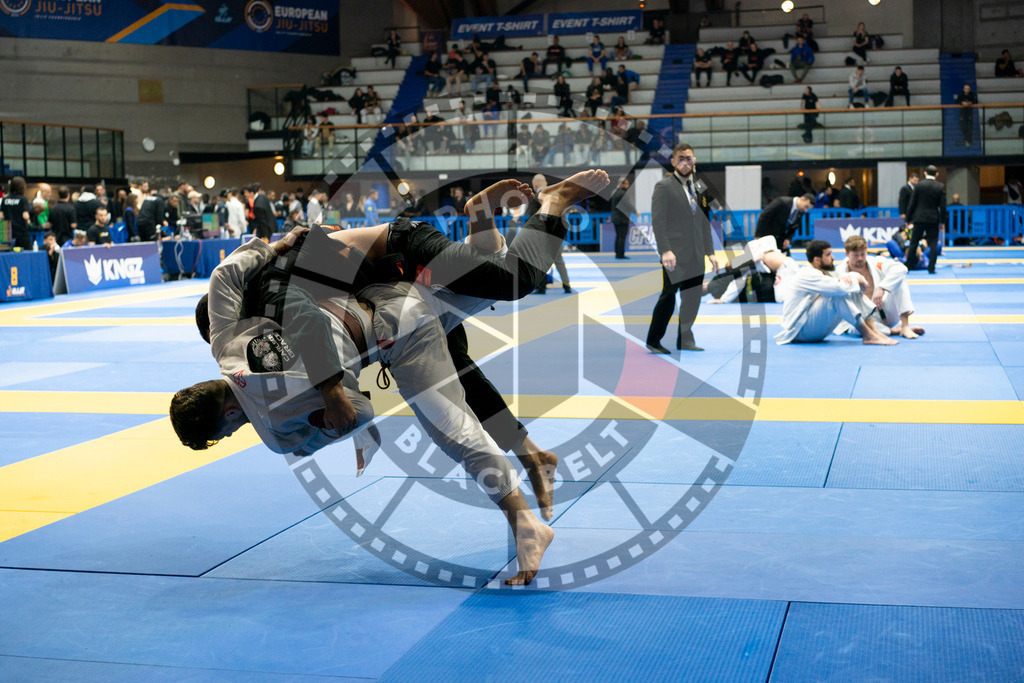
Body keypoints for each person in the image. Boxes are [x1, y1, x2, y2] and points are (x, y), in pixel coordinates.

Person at [645, 143, 719, 353]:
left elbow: (705, 222)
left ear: (694, 161)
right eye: (681, 158)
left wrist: (710, 252)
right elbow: (658, 222)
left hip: (697, 252)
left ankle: (685, 339)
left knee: (693, 298)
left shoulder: (700, 188)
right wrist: (665, 250)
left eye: (689, 158)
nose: (685, 162)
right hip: (674, 254)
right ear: (673, 161)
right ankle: (654, 339)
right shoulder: (664, 187)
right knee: (668, 296)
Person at [775, 240, 897, 346]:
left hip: (812, 329)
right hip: (799, 332)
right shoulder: (807, 274)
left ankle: (874, 332)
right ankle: (868, 335)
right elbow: (839, 288)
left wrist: (858, 278)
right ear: (817, 260)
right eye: (828, 255)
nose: (833, 257)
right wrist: (858, 281)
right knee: (837, 295)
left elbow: (845, 278)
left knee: (849, 289)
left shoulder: (824, 271)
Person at [836, 235, 924, 339]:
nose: (860, 258)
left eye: (862, 254)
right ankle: (894, 331)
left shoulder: (876, 262)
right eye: (855, 255)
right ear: (847, 254)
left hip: (887, 311)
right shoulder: (840, 273)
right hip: (866, 319)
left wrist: (882, 288)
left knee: (899, 279)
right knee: (856, 328)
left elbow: (901, 268)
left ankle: (905, 326)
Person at [527, 174, 571, 294]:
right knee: (559, 260)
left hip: (543, 234)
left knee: (539, 260)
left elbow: (533, 218)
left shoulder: (536, 198)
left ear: (535, 185)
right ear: (545, 183)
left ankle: (541, 287)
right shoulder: (556, 195)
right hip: (557, 233)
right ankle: (567, 285)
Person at [904, 165, 946, 274]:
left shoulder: (919, 186)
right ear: (936, 174)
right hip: (933, 218)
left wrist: (908, 219)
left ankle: (908, 265)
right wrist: (943, 222)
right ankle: (931, 267)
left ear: (925, 173)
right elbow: (943, 207)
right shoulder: (940, 186)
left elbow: (912, 204)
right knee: (933, 243)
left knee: (914, 242)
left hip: (919, 218)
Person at [611, 176, 631, 259]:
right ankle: (621, 254)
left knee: (618, 236)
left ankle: (617, 253)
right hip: (622, 218)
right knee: (622, 237)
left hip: (615, 217)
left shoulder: (614, 192)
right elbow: (627, 205)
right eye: (627, 184)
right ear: (622, 184)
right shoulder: (622, 193)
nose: (628, 186)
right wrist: (635, 211)